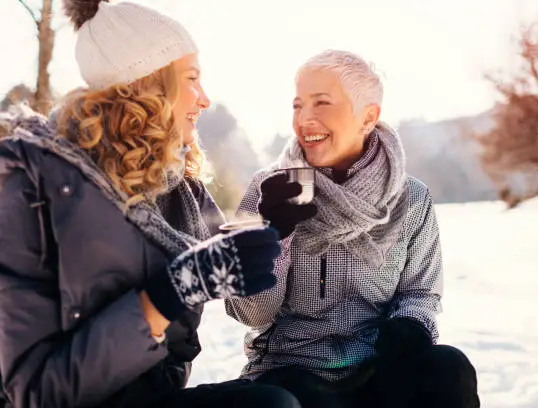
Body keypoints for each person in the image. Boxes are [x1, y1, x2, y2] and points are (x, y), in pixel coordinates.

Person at [0, 1, 300, 408]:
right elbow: (36, 393)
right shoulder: (33, 179)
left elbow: (220, 259)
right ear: (146, 84)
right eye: (191, 79)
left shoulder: (176, 185)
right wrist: (171, 291)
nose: (205, 98)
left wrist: (268, 226)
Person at [226, 50, 480, 408]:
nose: (304, 119)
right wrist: (272, 236)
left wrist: (409, 329)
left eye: (322, 103)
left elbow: (421, 292)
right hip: (291, 370)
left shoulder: (411, 198)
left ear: (368, 117)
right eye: (298, 105)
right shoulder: (268, 190)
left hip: (378, 369)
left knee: (448, 368)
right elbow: (249, 313)